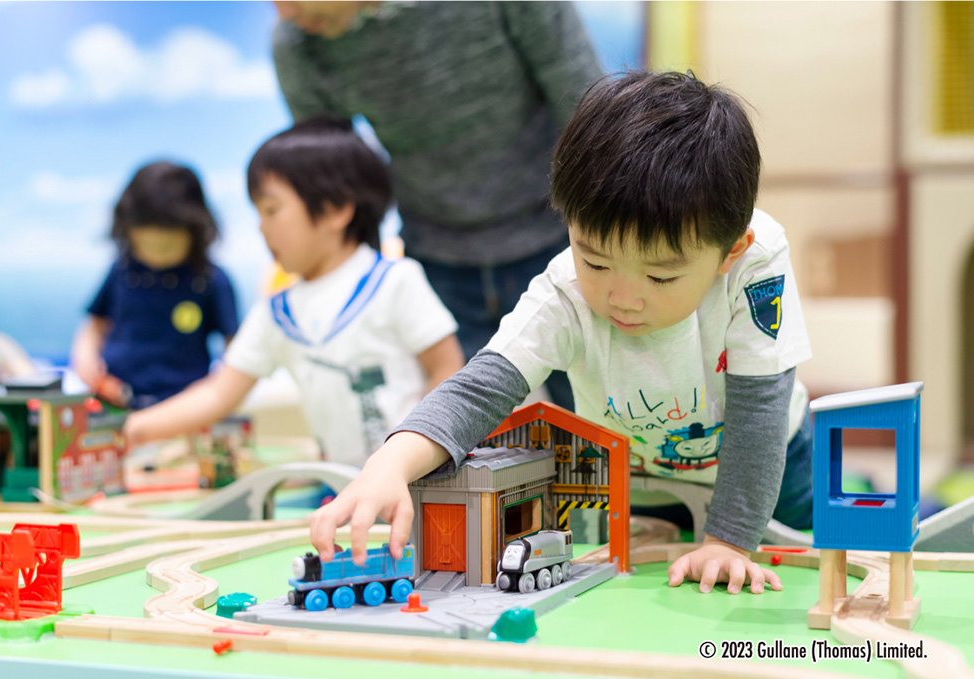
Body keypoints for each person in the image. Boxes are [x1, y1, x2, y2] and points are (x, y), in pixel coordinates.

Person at [308, 71, 814, 596]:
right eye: (595, 260)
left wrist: (729, 542)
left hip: (770, 467)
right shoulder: (565, 291)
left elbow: (759, 415)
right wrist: (388, 464)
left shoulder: (757, 263)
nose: (623, 297)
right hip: (642, 477)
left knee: (796, 569)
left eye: (661, 276)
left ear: (730, 251)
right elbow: (481, 387)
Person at [270, 1, 605, 410]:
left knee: (598, 418)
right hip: (436, 256)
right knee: (461, 438)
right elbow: (336, 174)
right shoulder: (301, 40)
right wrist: (372, 290)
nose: (283, 12)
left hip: (558, 236)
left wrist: (600, 238)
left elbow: (591, 110)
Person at [123, 118, 465, 468]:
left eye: (272, 210)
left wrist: (413, 460)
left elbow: (448, 370)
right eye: (257, 213)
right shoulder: (277, 312)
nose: (261, 226)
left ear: (335, 209)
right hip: (342, 492)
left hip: (419, 486)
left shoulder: (395, 282)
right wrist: (134, 429)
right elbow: (218, 392)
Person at [71, 161, 239, 410]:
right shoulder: (122, 271)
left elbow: (236, 352)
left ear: (195, 232)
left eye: (167, 246)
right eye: (145, 244)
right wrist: (87, 366)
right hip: (114, 401)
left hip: (182, 410)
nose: (156, 257)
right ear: (127, 233)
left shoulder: (209, 279)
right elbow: (94, 327)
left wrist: (213, 392)